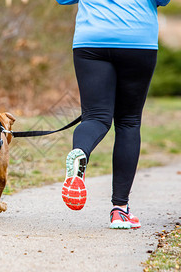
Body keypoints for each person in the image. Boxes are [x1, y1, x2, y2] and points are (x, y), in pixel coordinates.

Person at [58, 0, 170, 229]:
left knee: (95, 117)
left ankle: (81, 152)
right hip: (137, 41)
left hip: (91, 41)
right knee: (128, 122)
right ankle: (120, 210)